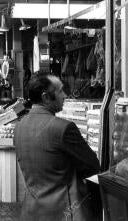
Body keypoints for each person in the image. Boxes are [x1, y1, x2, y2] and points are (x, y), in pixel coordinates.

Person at [14, 75, 100, 221]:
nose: (65, 95)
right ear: (46, 97)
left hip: (32, 211)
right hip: (64, 211)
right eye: (60, 91)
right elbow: (93, 165)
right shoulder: (64, 128)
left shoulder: (19, 127)